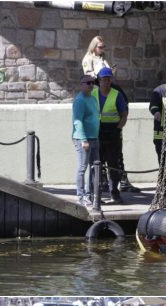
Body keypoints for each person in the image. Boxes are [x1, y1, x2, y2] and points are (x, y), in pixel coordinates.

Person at [92, 67, 128, 204]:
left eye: (108, 79)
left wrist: (118, 130)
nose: (106, 82)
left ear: (111, 80)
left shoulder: (116, 94)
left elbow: (123, 115)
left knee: (113, 165)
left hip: (112, 133)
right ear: (99, 80)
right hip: (97, 132)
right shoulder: (93, 94)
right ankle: (98, 194)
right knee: (97, 165)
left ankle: (114, 192)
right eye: (103, 79)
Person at [72, 74, 100, 207]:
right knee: (83, 168)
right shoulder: (80, 100)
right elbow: (78, 121)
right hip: (83, 139)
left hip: (94, 138)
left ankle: (91, 195)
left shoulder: (93, 99)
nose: (91, 85)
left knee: (95, 167)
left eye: (92, 82)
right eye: (87, 83)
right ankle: (81, 195)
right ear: (81, 85)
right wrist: (83, 139)